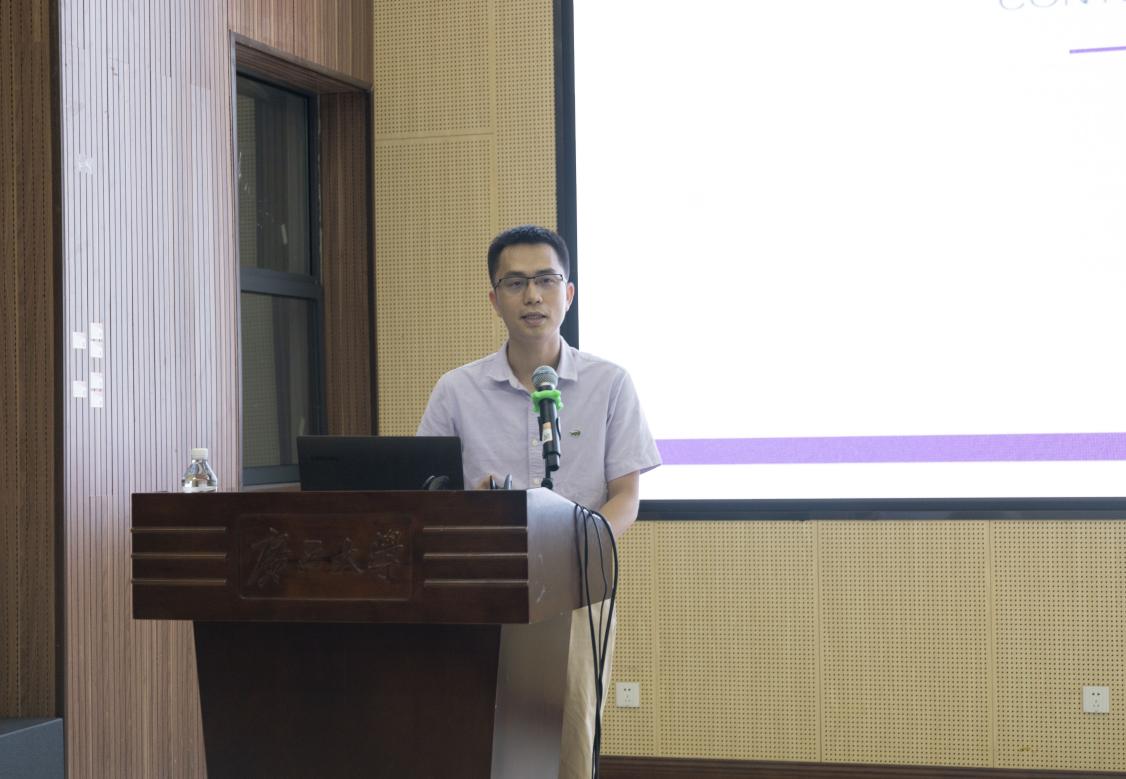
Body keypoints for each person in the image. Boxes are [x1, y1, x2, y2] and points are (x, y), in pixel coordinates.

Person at [417, 224, 660, 778]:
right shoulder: (456, 391)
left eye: (547, 280)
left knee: (570, 738)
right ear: (494, 298)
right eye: (516, 282)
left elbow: (626, 496)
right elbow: (426, 494)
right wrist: (468, 503)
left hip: (575, 586)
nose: (533, 295)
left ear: (568, 294)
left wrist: (574, 545)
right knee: (476, 735)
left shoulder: (609, 383)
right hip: (480, 586)